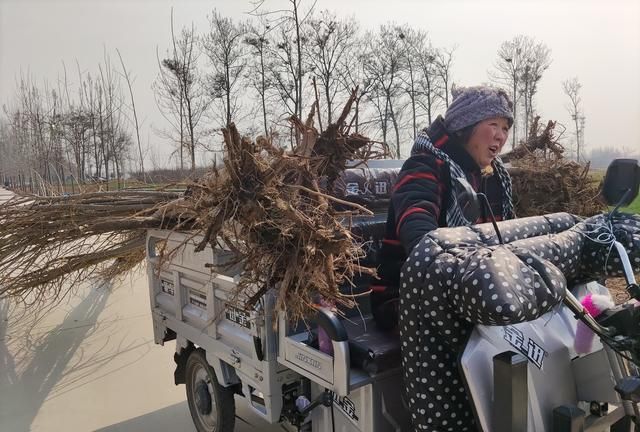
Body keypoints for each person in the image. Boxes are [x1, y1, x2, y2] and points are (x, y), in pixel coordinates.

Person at [370, 85, 515, 431]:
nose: (500, 136)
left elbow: (503, 236)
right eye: (492, 124)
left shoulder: (485, 177)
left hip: (461, 289)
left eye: (506, 128)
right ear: (466, 125)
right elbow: (419, 229)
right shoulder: (424, 167)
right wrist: (452, 265)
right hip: (405, 294)